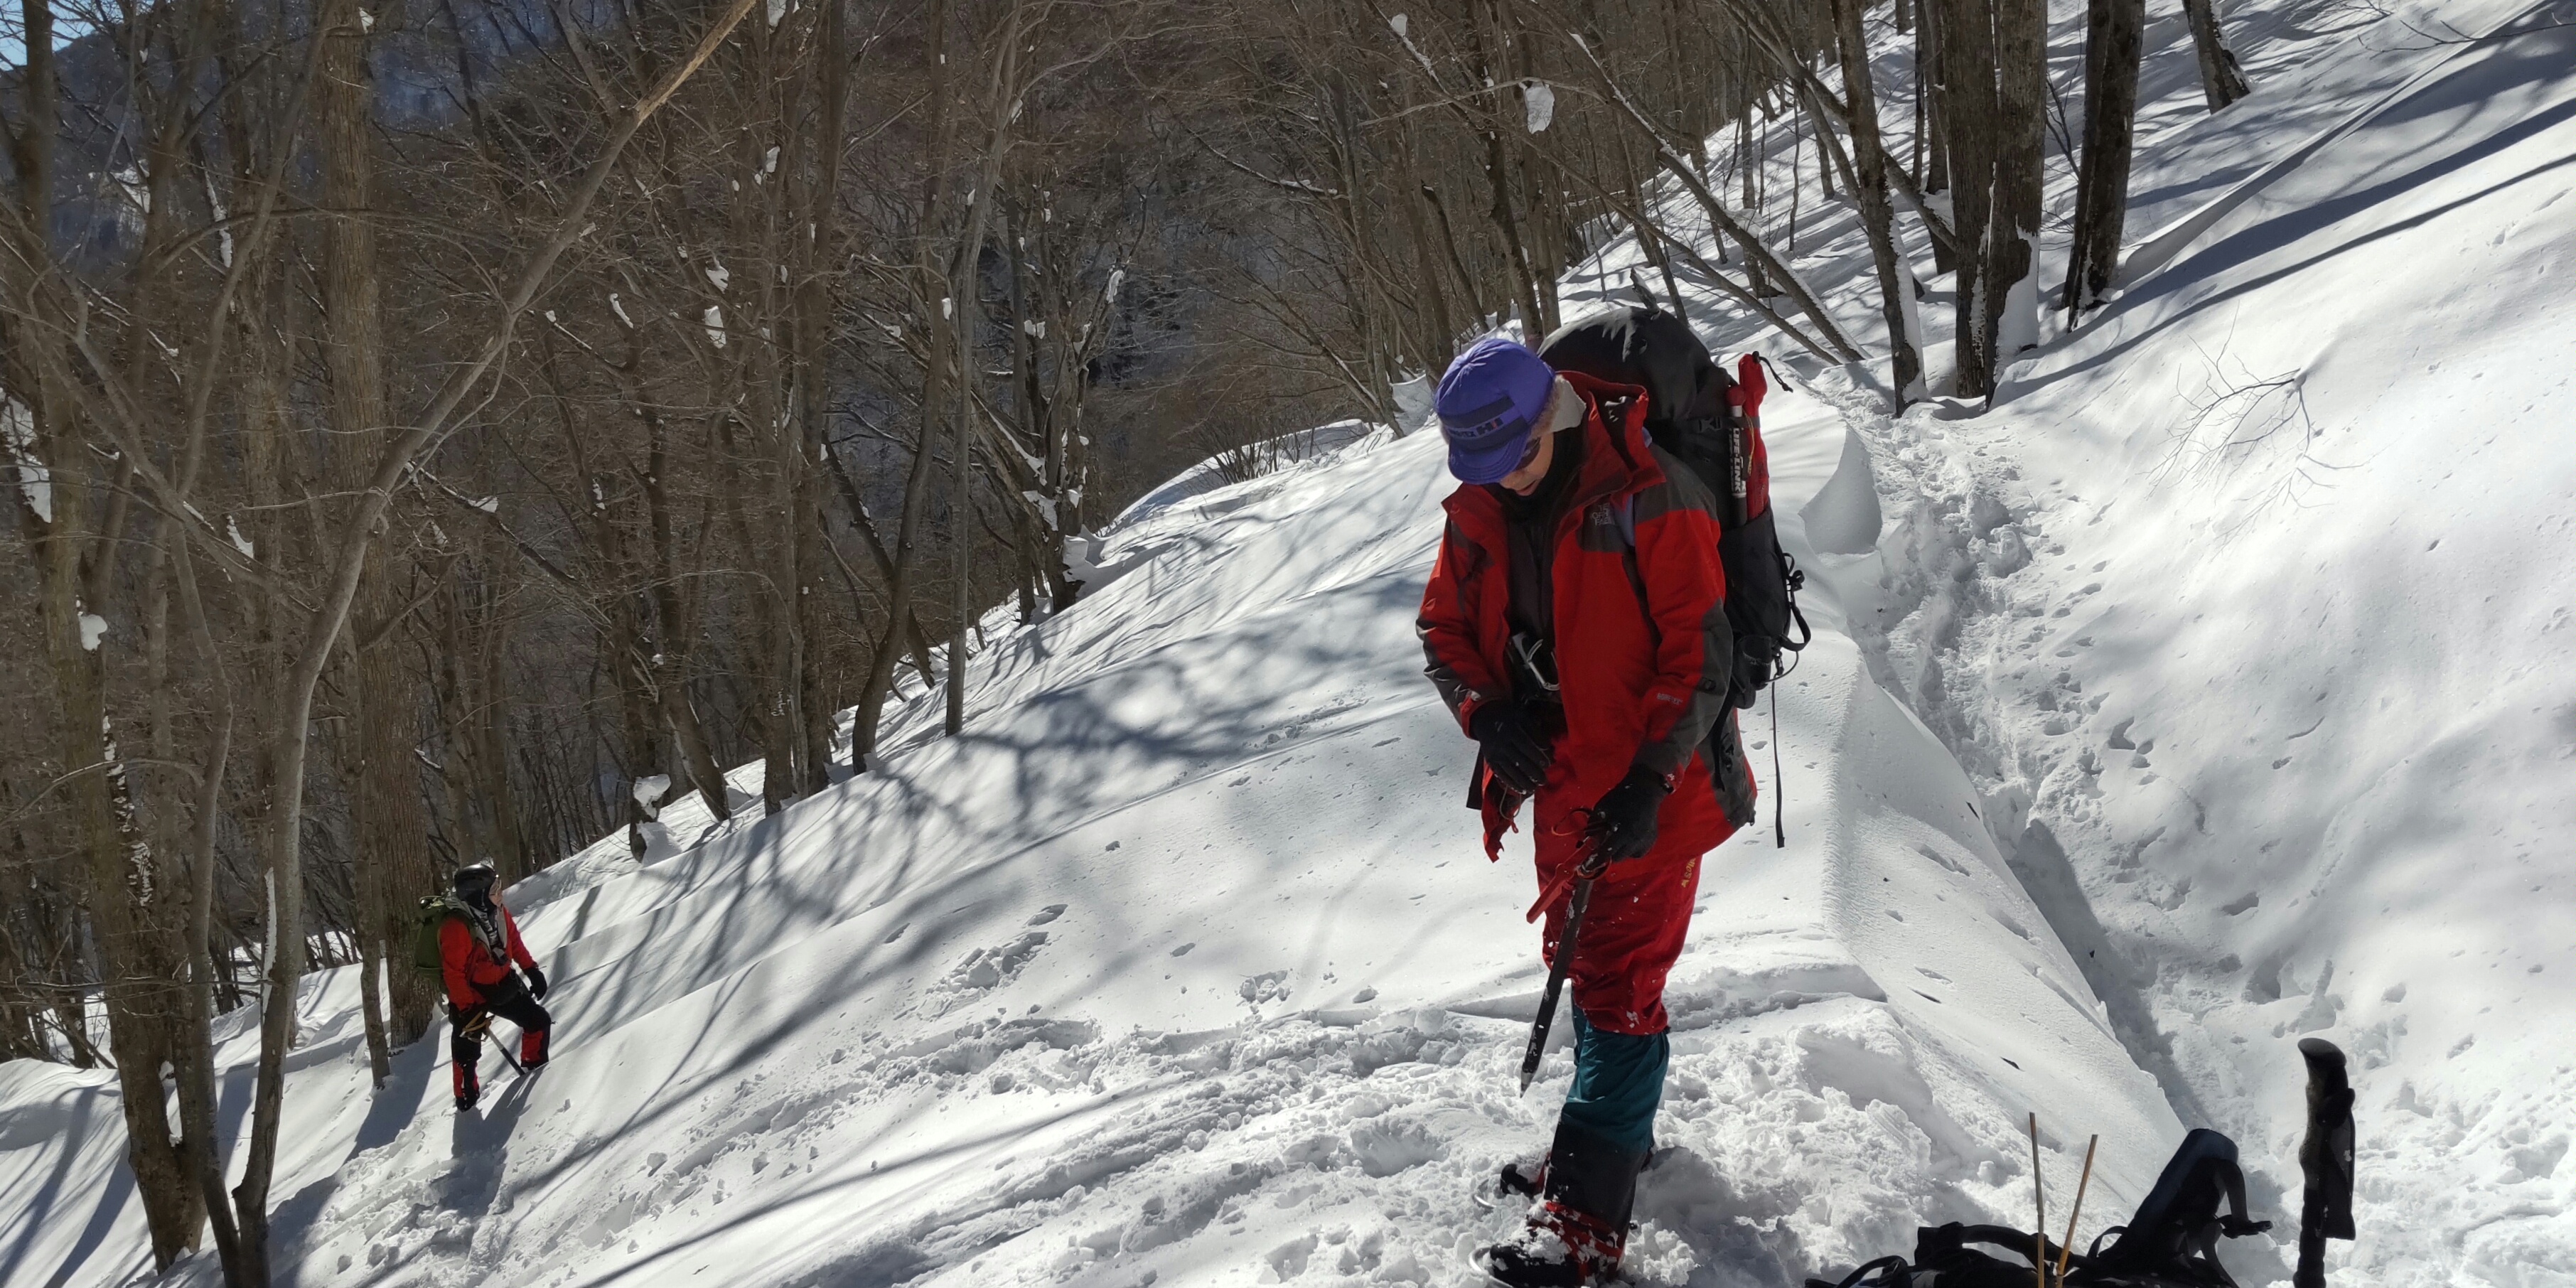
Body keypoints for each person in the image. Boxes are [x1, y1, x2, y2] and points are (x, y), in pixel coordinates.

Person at [1416, 336, 1751, 1286]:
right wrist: (1488, 714)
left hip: (1657, 784)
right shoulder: (1482, 505)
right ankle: (1604, 1149)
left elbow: (1702, 652)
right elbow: (1442, 627)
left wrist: (1649, 780)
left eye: (1516, 457)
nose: (1508, 481)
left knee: (1617, 982)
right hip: (1561, 785)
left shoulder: (1652, 494)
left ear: (1552, 413)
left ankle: (1585, 1225)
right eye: (1486, 466)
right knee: (1585, 957)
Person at [439, 862, 551, 1110]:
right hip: (470, 995)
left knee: (538, 1021)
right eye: (494, 889)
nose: (500, 893)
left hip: (502, 984)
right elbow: (453, 974)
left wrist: (531, 969)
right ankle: (466, 1103)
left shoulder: (498, 911)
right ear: (479, 894)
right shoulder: (456, 927)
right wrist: (468, 1009)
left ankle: (536, 1070)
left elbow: (513, 939)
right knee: (466, 1053)